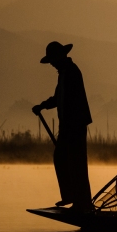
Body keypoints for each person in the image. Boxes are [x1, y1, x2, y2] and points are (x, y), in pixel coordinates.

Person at [32, 42, 93, 211]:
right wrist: (42, 106)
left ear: (60, 57)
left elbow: (72, 102)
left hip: (75, 125)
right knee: (62, 158)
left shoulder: (72, 72)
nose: (51, 64)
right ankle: (72, 197)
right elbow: (58, 98)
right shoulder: (64, 73)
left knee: (76, 163)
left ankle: (82, 202)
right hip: (68, 126)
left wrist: (68, 126)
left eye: (52, 60)